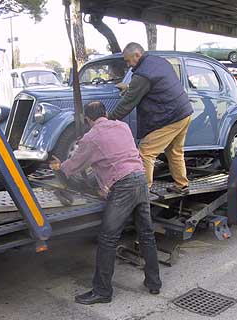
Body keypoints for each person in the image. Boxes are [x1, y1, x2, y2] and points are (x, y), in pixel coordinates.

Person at [50, 101, 162, 305]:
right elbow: (114, 157)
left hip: (124, 186)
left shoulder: (91, 137)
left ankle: (102, 291)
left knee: (107, 239)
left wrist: (59, 166)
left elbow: (72, 167)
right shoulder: (123, 126)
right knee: (146, 234)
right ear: (106, 113)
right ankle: (154, 283)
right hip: (140, 179)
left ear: (87, 119)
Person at [108, 42, 194, 193]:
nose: (128, 65)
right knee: (175, 151)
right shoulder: (157, 61)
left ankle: (142, 191)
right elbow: (157, 85)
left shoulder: (143, 74)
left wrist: (108, 119)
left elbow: (127, 104)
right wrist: (130, 88)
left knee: (146, 151)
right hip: (184, 111)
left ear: (137, 55)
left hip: (171, 116)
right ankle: (182, 185)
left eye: (128, 61)